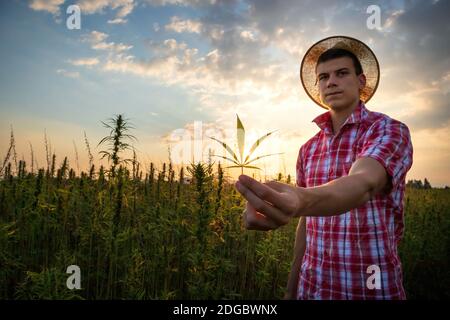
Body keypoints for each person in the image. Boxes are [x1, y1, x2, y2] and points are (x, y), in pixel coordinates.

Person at [235, 36, 413, 300]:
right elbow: (306, 224)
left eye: (342, 73)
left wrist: (300, 199)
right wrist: (291, 289)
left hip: (370, 291)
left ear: (361, 81)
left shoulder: (388, 130)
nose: (331, 82)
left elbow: (364, 183)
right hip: (312, 289)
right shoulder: (308, 149)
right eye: (323, 77)